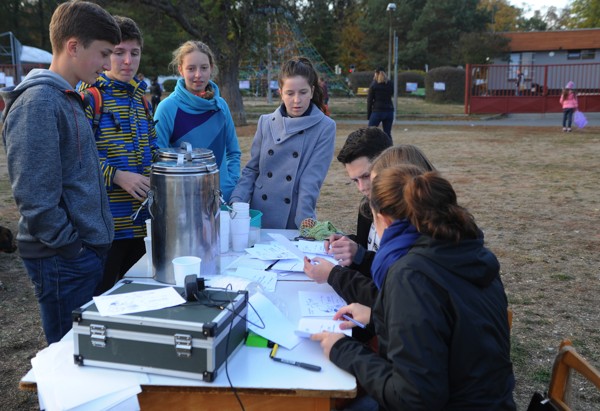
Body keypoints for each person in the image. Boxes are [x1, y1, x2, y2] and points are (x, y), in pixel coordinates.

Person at [312, 165, 516, 410]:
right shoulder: (470, 252)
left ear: (382, 218)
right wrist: (380, 317)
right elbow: (446, 328)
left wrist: (342, 350)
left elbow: (413, 398)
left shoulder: (411, 274)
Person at [1, 1, 120, 345]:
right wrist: (74, 250)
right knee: (69, 357)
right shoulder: (39, 103)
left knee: (87, 352)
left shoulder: (66, 97)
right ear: (73, 46)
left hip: (78, 256)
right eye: (103, 53)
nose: (107, 64)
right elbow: (35, 199)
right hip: (62, 260)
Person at [79, 16, 158, 295]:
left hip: (143, 226)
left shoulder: (142, 101)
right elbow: (77, 160)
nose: (127, 61)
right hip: (106, 229)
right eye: (119, 52)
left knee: (135, 298)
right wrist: (117, 176)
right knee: (99, 299)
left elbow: (154, 149)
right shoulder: (90, 98)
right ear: (106, 54)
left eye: (134, 53)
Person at [304, 143, 435, 307]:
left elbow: (392, 301)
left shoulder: (420, 244)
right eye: (355, 181)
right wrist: (357, 253)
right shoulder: (372, 209)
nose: (363, 188)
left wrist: (334, 276)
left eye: (367, 177)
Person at [229, 57, 336, 229]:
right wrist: (237, 201)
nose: (296, 100)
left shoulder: (325, 127)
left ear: (312, 91)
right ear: (280, 93)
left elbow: (311, 180)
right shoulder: (265, 122)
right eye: (290, 93)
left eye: (303, 92)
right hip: (259, 214)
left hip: (293, 217)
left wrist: (304, 224)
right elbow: (252, 170)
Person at [153, 40, 241, 201]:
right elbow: (158, 159)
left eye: (204, 68)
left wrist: (231, 182)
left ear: (211, 68)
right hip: (184, 201)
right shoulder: (167, 108)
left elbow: (233, 152)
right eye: (191, 68)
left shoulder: (221, 106)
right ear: (180, 69)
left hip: (223, 198)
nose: (198, 75)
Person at [367, 69, 394, 142]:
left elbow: (369, 100)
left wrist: (369, 115)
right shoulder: (390, 84)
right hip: (389, 111)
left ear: (376, 74)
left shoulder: (374, 84)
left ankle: (370, 147)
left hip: (377, 111)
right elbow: (391, 93)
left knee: (370, 132)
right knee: (387, 133)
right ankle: (390, 147)